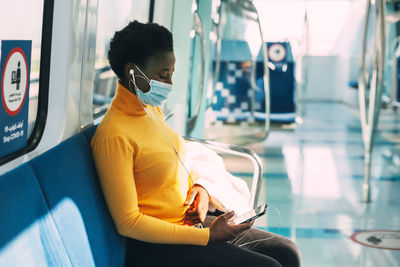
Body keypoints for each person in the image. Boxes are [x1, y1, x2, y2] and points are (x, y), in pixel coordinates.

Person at [91, 20, 300, 267]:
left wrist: (201, 189)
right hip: (156, 248)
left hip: (187, 225)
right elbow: (128, 222)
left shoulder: (150, 111)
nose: (169, 84)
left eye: (171, 74)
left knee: (287, 252)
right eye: (163, 75)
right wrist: (206, 236)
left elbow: (177, 161)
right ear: (132, 72)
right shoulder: (114, 135)